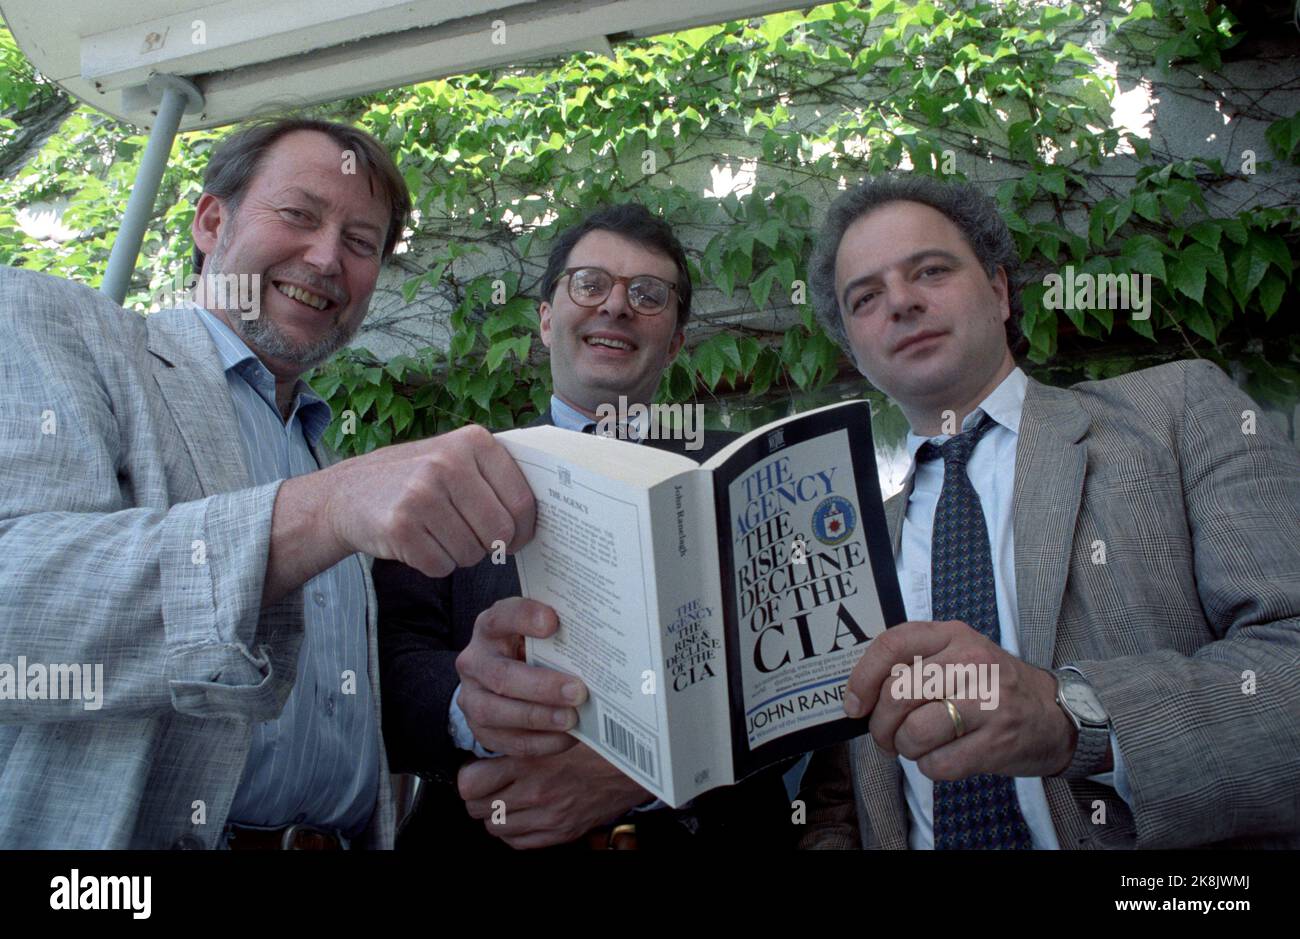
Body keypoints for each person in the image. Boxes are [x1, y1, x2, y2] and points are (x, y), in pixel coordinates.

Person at [0, 117, 535, 849]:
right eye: (298, 215)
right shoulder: (59, 323)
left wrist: (468, 702)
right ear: (212, 220)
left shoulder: (314, 447)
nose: (324, 258)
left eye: (360, 243)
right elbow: (15, 609)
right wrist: (323, 509)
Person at [796, 174, 1300, 849]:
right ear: (852, 351)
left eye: (931, 270)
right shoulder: (849, 546)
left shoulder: (1177, 413)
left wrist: (1074, 715)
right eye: (866, 297)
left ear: (1000, 290)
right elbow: (835, 798)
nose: (903, 303)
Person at [375, 203, 795, 850]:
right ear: (546, 320)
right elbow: (392, 665)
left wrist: (636, 775)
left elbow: (793, 671)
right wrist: (482, 713)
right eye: (590, 284)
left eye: (648, 295)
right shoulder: (445, 473)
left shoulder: (745, 473)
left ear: (678, 340)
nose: (616, 307)